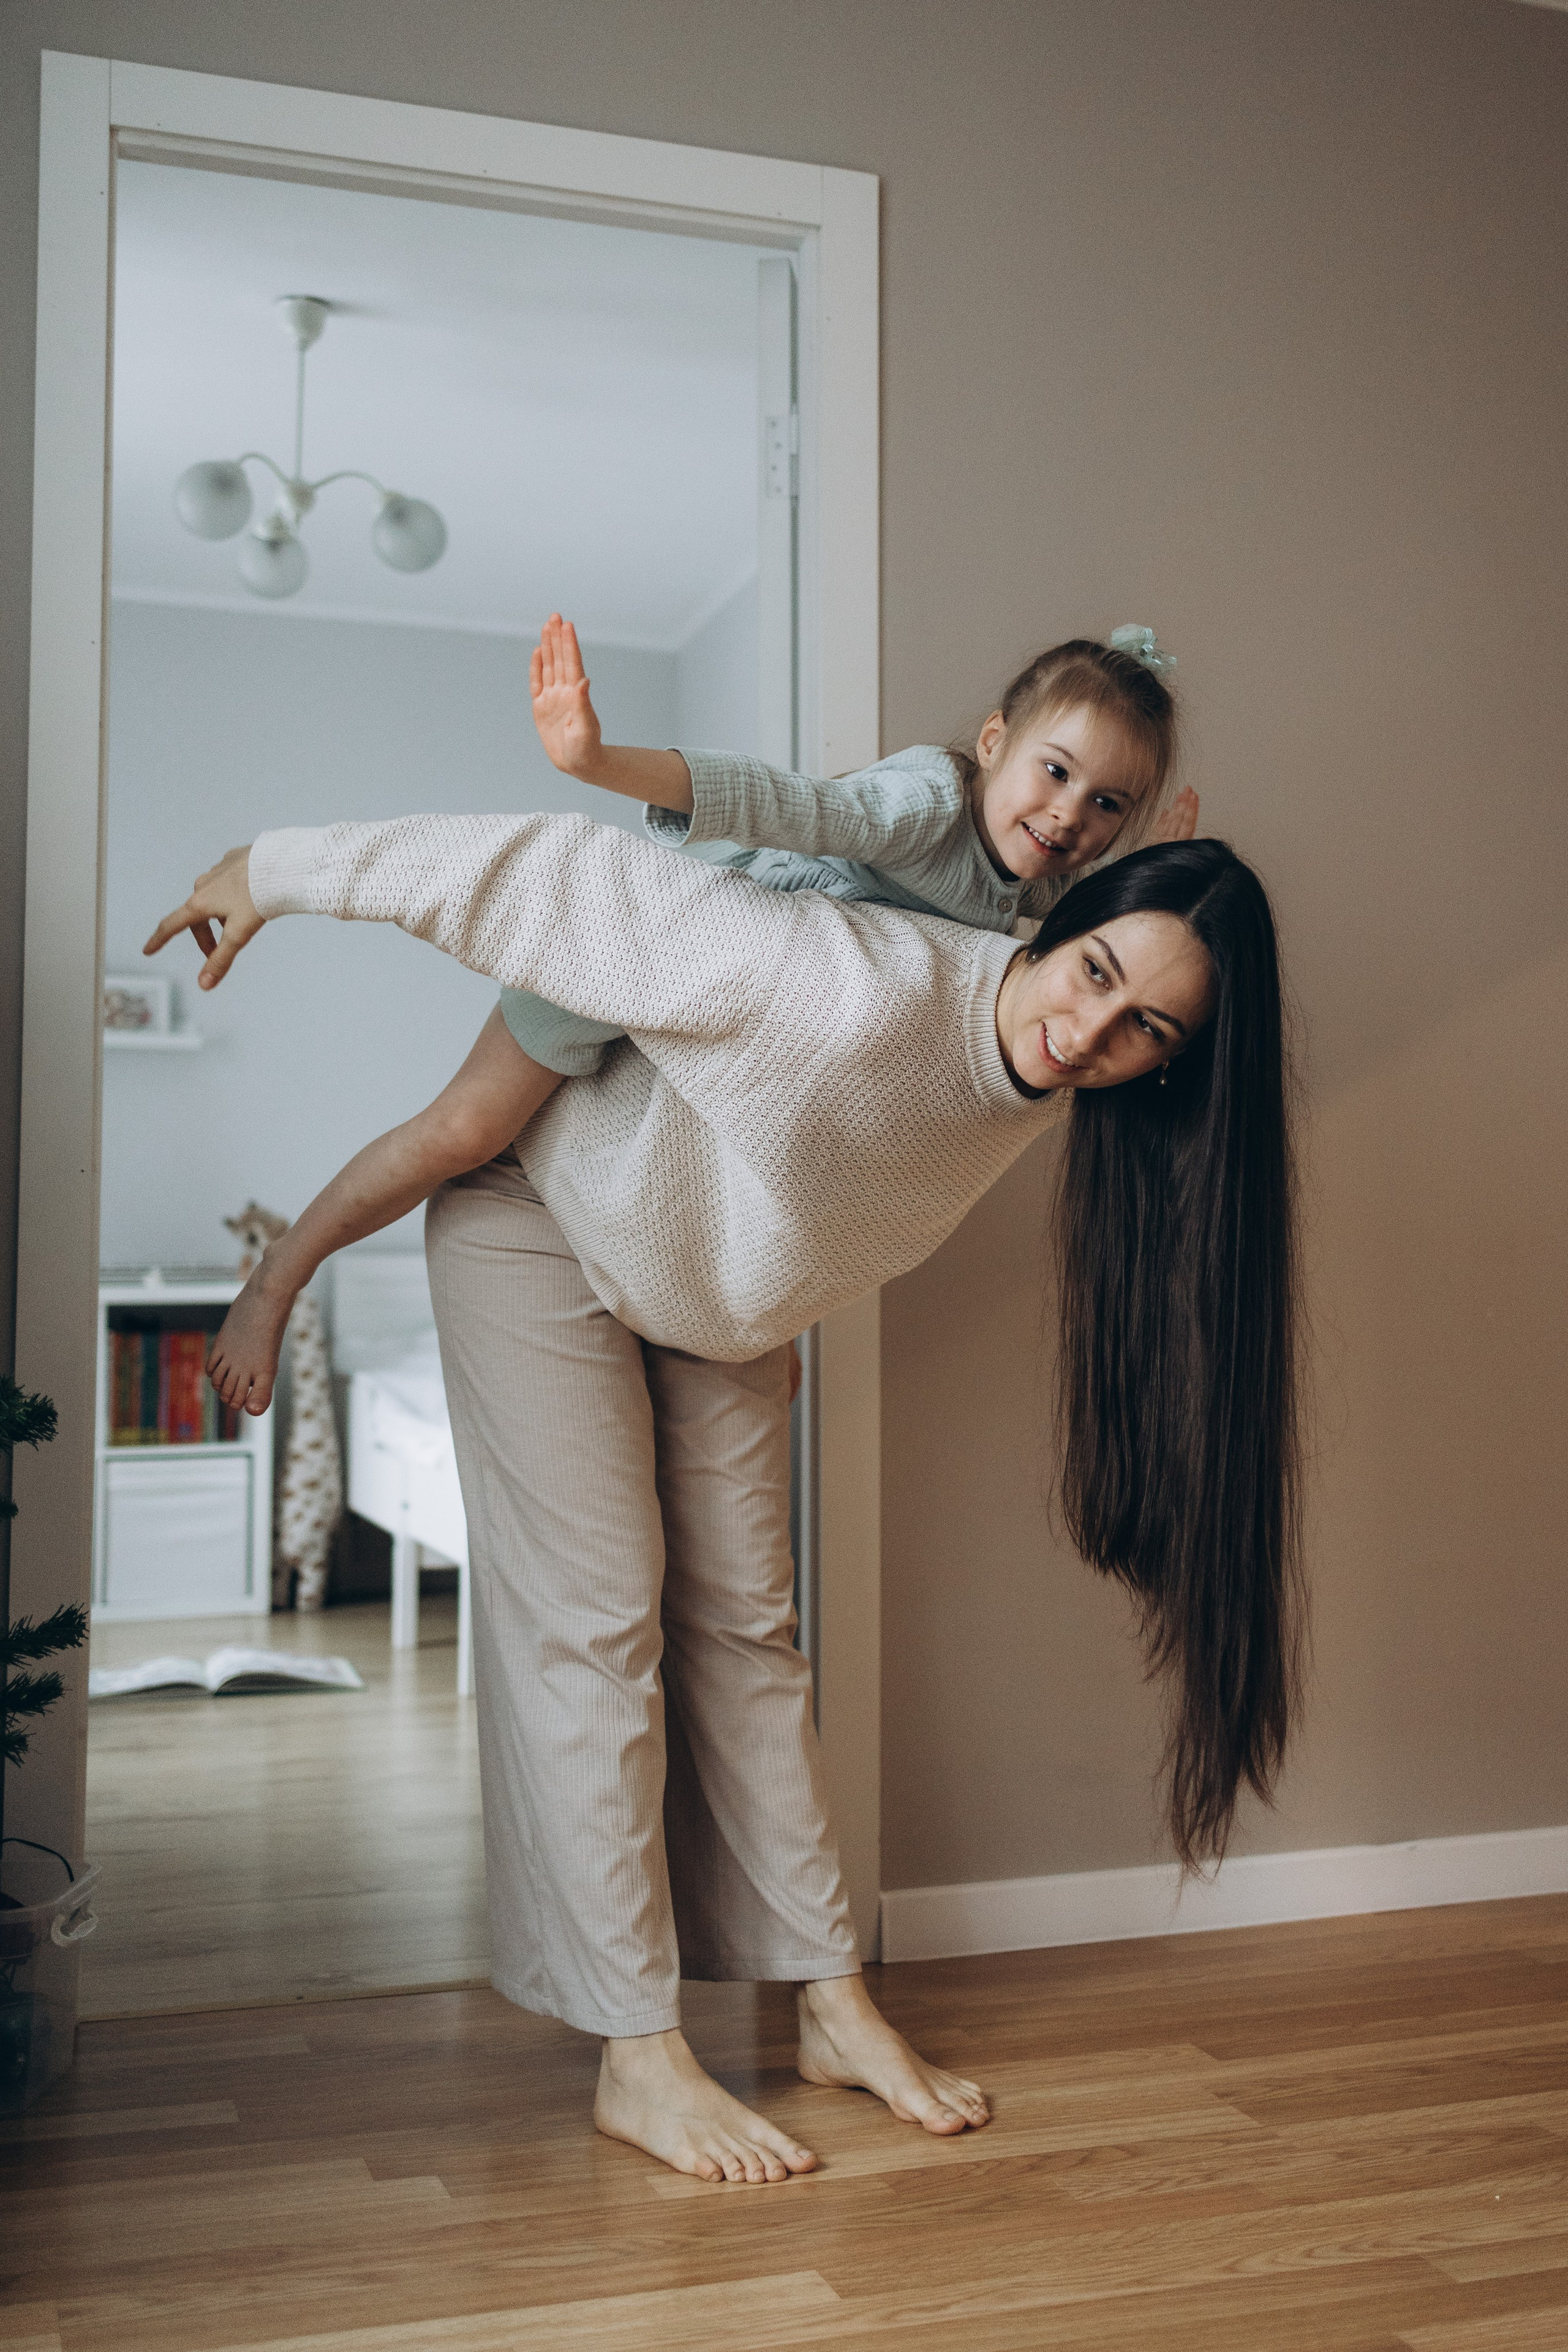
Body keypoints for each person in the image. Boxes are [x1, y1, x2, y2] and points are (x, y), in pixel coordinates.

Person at [147, 809, 1300, 2189]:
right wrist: (268, 873)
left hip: (715, 1290)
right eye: (1096, 974)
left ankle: (829, 2001)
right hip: (541, 1211)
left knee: (752, 1632)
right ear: (1056, 932)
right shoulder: (843, 976)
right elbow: (560, 874)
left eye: (1146, 1034)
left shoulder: (1042, 1077)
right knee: (595, 1617)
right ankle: (636, 2053)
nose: (1089, 1034)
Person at [196, 616, 1194, 1417]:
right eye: (1054, 773)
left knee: (781, 1167)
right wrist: (598, 761)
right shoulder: (925, 806)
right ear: (992, 745)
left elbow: (845, 1124)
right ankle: (278, 1279)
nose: (1071, 817)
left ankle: (755, 1325)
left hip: (737, 1061)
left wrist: (1162, 876)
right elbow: (781, 802)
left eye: (1110, 807)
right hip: (649, 967)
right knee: (461, 1130)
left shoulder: (1030, 926)